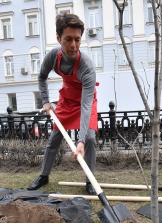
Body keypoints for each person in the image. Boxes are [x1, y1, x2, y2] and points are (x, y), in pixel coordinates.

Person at [26, 14, 98, 194]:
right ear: (59, 39)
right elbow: (42, 77)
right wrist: (46, 101)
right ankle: (44, 176)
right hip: (66, 100)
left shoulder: (87, 67)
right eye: (68, 39)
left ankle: (90, 181)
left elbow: (86, 106)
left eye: (77, 39)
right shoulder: (53, 56)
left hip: (85, 101)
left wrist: (80, 141)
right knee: (54, 139)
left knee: (89, 138)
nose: (73, 45)